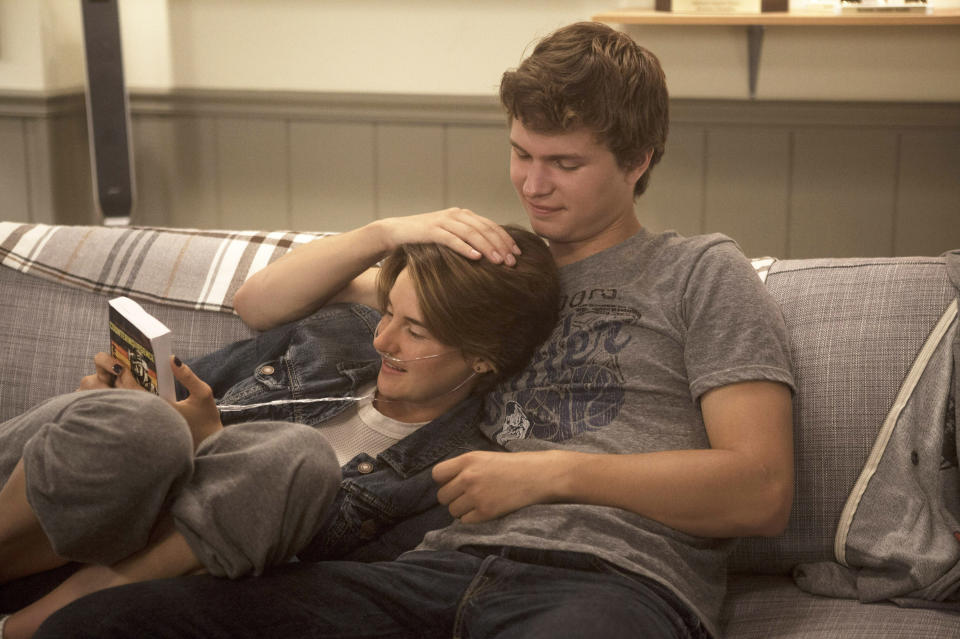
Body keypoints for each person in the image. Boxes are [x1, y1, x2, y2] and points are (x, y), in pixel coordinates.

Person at [32, 20, 794, 639]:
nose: (532, 184)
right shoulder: (486, 268)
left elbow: (761, 489)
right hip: (423, 565)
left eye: (564, 163)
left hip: (612, 582)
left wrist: (551, 471)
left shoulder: (698, 271)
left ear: (638, 161)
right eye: (521, 153)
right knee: (107, 622)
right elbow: (262, 305)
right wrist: (388, 230)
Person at [0, 226, 560, 639]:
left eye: (414, 330)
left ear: (484, 358)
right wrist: (114, 396)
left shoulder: (459, 469)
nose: (383, 341)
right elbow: (181, 388)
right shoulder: (335, 336)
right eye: (387, 312)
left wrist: (210, 444)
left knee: (293, 457)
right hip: (73, 507)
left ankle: (25, 628)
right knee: (137, 421)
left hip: (141, 577)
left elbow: (327, 595)